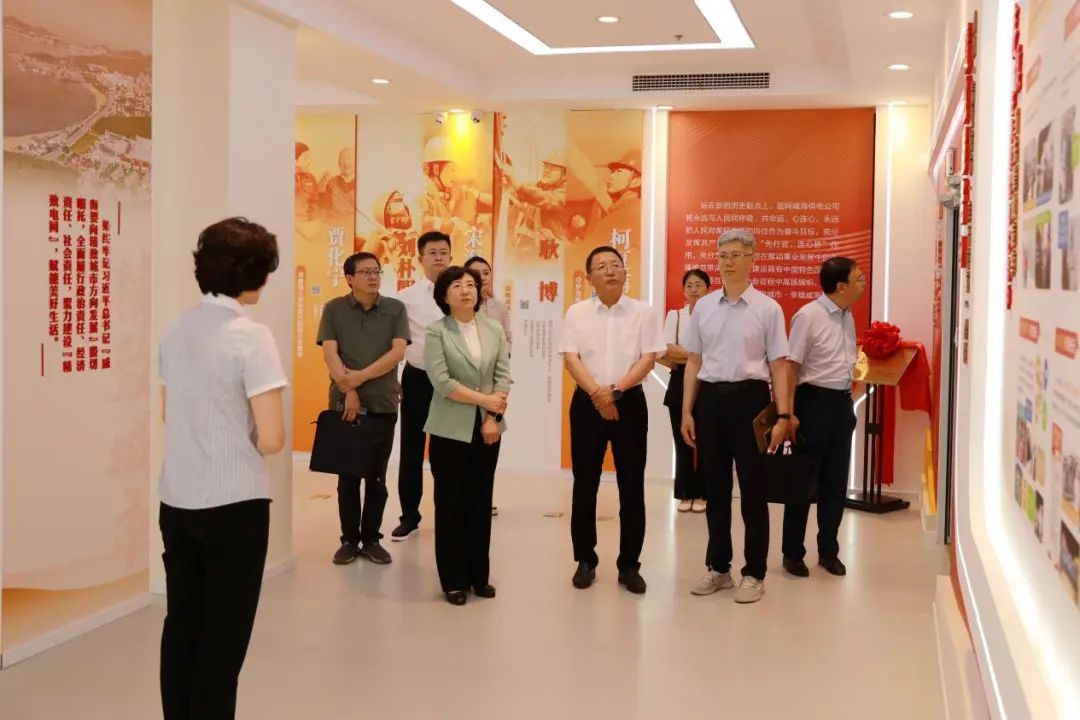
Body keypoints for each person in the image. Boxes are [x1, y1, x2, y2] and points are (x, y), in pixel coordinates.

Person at [158, 217, 287, 719]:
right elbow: (272, 438)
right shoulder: (251, 337)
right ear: (255, 273)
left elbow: (169, 413)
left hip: (177, 499)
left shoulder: (175, 331)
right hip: (235, 505)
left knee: (182, 625)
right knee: (222, 641)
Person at [682, 229, 791, 605]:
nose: (727, 262)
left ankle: (754, 572)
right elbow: (693, 361)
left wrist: (783, 414)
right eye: (722, 255)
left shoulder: (767, 308)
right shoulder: (703, 308)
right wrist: (687, 411)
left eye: (735, 255)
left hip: (751, 401)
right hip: (710, 401)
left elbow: (778, 364)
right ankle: (718, 567)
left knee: (753, 490)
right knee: (715, 490)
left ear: (751, 259)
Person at [560, 246, 666, 595]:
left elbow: (648, 359)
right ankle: (585, 560)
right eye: (601, 266)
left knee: (632, 486)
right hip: (587, 403)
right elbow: (571, 359)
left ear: (624, 272)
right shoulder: (576, 312)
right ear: (589, 276)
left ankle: (629, 565)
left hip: (629, 403)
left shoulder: (643, 312)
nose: (610, 271)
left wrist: (615, 391)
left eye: (616, 265)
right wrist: (598, 394)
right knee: (584, 484)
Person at [424, 265, 511, 605]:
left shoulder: (493, 328)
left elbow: (502, 376)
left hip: (488, 428)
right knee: (450, 504)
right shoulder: (437, 332)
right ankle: (453, 580)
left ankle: (479, 576)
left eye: (471, 285)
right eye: (457, 285)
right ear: (444, 296)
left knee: (480, 501)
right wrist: (486, 401)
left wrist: (493, 416)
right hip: (449, 429)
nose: (466, 290)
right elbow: (443, 383)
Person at [318, 252, 409, 566]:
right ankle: (348, 540)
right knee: (347, 478)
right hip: (345, 405)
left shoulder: (395, 309)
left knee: (376, 477)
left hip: (383, 403)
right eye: (366, 272)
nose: (373, 277)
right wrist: (350, 390)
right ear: (350, 278)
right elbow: (330, 354)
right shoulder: (334, 309)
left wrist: (360, 377)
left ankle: (371, 539)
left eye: (377, 271)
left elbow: (398, 352)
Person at [781, 258, 865, 578]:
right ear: (841, 287)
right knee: (802, 482)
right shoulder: (808, 316)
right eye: (858, 279)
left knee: (835, 482)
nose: (863, 283)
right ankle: (792, 553)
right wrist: (788, 413)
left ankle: (829, 551)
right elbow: (791, 366)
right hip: (812, 404)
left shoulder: (847, 314)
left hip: (840, 406)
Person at [393, 231, 452, 540]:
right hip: (417, 378)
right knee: (412, 451)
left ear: (451, 256)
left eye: (443, 252)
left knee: (447, 453)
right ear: (420, 258)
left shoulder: (462, 291)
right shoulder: (407, 297)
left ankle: (448, 515)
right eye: (432, 252)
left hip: (453, 383)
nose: (438, 257)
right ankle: (409, 518)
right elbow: (394, 342)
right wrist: (393, 378)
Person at [663, 269, 711, 513]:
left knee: (706, 441)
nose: (693, 289)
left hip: (708, 381)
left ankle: (703, 493)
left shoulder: (714, 315)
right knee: (682, 441)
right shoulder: (675, 315)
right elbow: (665, 349)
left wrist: (685, 354)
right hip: (679, 382)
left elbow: (714, 351)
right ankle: (685, 493)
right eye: (689, 285)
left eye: (698, 284)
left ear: (708, 289)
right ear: (684, 290)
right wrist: (695, 355)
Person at [464, 255, 512, 352]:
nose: (482, 278)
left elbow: (507, 339)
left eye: (486, 273)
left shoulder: (500, 308)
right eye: (476, 273)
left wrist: (503, 355)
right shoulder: (458, 306)